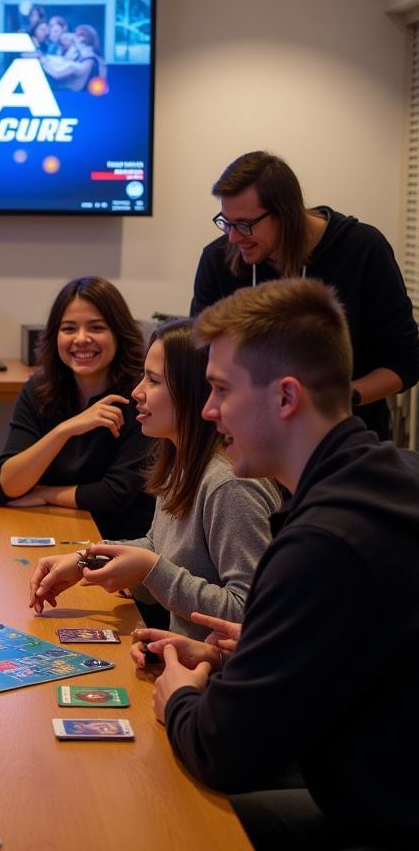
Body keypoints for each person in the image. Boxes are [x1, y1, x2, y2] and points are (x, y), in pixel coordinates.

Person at [147, 279, 419, 849]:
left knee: (156, 816)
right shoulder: (388, 476)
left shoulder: (322, 542)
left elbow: (223, 754)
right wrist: (255, 650)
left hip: (378, 817)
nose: (207, 409)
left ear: (286, 397)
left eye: (220, 389)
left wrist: (177, 697)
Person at [27, 318, 277, 638]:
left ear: (197, 393)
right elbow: (156, 548)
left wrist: (150, 570)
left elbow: (252, 613)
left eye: (153, 380)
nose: (136, 392)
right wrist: (84, 560)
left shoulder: (230, 485)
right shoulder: (181, 462)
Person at [190, 150, 419, 440]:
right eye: (226, 222)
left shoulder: (363, 249)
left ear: (286, 213)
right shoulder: (217, 259)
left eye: (245, 224)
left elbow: (404, 364)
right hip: (251, 442)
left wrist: (338, 399)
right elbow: (201, 357)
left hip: (345, 441)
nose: (234, 237)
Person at [0, 277, 154, 539]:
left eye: (96, 327)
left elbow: (115, 494)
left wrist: (44, 493)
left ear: (118, 332)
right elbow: (4, 487)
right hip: (55, 529)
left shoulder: (141, 395)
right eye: (68, 329)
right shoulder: (39, 390)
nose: (81, 339)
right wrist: (64, 431)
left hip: (123, 543)